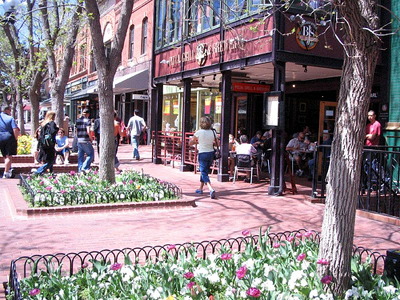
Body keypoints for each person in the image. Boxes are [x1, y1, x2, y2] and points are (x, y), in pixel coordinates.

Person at [189, 116, 217, 199]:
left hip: (202, 153)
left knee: (203, 171)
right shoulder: (213, 132)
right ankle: (200, 188)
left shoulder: (199, 132)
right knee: (205, 171)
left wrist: (196, 141)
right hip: (211, 153)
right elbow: (216, 143)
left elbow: (191, 142)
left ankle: (210, 188)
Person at [34, 111, 58, 175]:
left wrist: (38, 146)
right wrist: (57, 129)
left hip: (43, 144)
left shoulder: (43, 123)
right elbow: (53, 132)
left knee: (49, 159)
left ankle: (51, 173)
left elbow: (40, 135)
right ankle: (38, 171)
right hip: (49, 144)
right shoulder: (52, 123)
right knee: (51, 160)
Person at [0, 106, 20, 178]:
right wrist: (16, 138)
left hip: (0, 137)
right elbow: (15, 129)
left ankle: (8, 169)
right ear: (7, 110)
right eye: (10, 110)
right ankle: (5, 173)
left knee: (4, 155)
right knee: (9, 156)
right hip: (9, 137)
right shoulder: (10, 118)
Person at [76, 108, 94, 173]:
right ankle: (85, 167)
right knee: (91, 154)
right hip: (85, 139)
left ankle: (80, 170)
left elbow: (76, 131)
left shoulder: (77, 120)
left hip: (79, 139)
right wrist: (91, 138)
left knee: (80, 156)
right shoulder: (88, 121)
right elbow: (88, 130)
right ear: (88, 114)